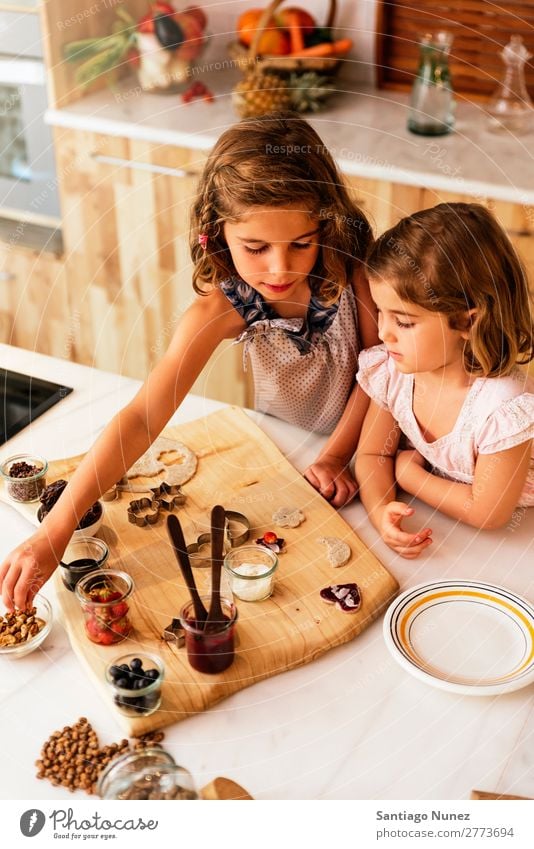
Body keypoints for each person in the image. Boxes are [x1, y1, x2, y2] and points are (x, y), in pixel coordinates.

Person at [0, 113, 378, 609]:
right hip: (293, 454)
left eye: (301, 244)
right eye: (256, 247)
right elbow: (142, 416)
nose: (279, 268)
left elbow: (381, 373)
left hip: (370, 446)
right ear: (218, 232)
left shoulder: (358, 274)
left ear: (326, 225)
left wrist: (336, 454)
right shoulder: (220, 309)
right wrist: (57, 527)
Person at [354, 202, 534, 559]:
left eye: (404, 322)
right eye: (380, 313)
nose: (384, 333)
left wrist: (409, 477)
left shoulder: (503, 408)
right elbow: (372, 453)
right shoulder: (395, 371)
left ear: (468, 322)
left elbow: (488, 512)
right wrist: (381, 513)